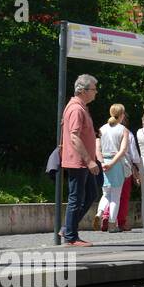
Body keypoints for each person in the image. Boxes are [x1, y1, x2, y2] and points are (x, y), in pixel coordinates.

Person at [59, 75, 101, 247]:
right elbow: (74, 137)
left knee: (91, 194)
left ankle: (67, 228)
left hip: (84, 161)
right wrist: (89, 160)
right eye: (93, 89)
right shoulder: (76, 109)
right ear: (83, 91)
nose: (96, 92)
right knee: (76, 198)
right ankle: (70, 236)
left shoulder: (81, 107)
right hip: (78, 161)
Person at [96, 104, 131, 232]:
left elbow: (97, 149)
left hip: (104, 161)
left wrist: (102, 163)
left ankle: (99, 213)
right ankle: (111, 224)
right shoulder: (123, 130)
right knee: (116, 196)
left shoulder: (101, 129)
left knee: (106, 194)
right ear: (122, 115)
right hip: (116, 163)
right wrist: (112, 163)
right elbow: (122, 151)